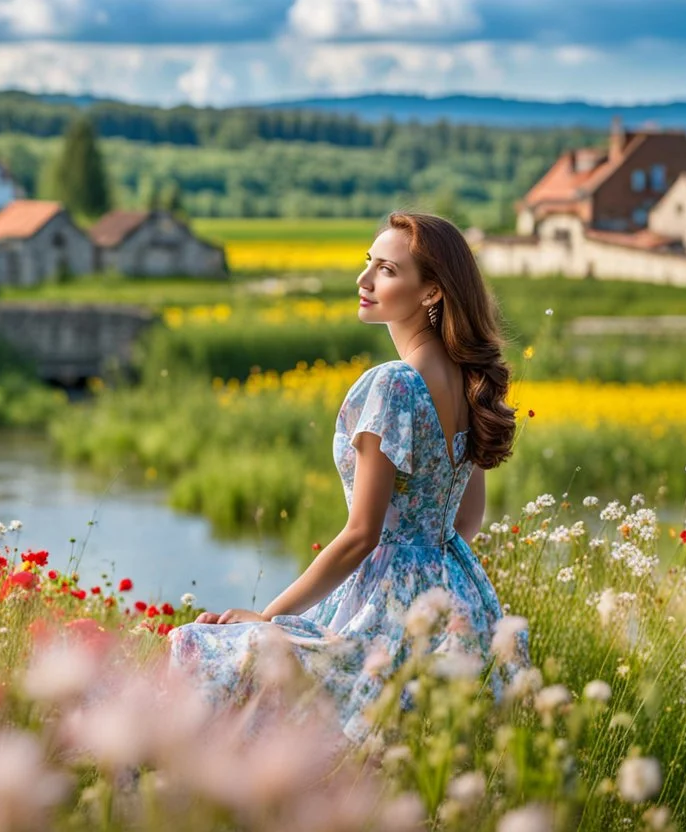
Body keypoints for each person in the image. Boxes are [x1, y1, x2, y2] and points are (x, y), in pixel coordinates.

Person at [167, 211, 531, 743]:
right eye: (368, 264)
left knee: (200, 645)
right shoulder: (468, 380)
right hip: (458, 604)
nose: (363, 281)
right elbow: (466, 521)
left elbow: (363, 535)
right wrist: (424, 577)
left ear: (431, 292)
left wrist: (267, 618)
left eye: (385, 270)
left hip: (381, 611)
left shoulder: (393, 386)